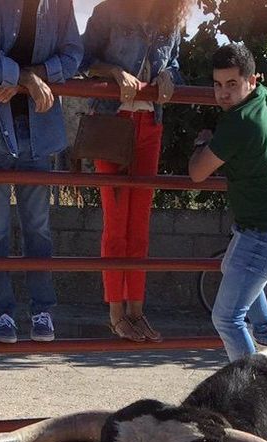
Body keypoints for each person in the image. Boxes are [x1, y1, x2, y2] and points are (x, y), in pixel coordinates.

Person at [0, 0, 83, 344]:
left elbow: (73, 54)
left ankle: (41, 310)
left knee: (38, 228)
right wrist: (26, 78)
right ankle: (1, 314)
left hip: (39, 130)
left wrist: (28, 79)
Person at [189, 43, 267, 361]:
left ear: (251, 80)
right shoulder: (265, 96)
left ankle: (253, 394)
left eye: (232, 84)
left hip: (266, 233)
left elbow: (197, 173)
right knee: (230, 267)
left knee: (226, 318)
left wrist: (203, 142)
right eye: (217, 84)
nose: (223, 94)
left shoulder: (237, 124)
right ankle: (266, 334)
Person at [82, 0, 186, 343]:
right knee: (116, 222)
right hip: (113, 123)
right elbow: (83, 60)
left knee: (140, 223)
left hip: (150, 124)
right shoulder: (108, 11)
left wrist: (171, 74)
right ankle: (116, 315)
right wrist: (113, 72)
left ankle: (137, 312)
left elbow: (175, 63)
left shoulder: (171, 16)